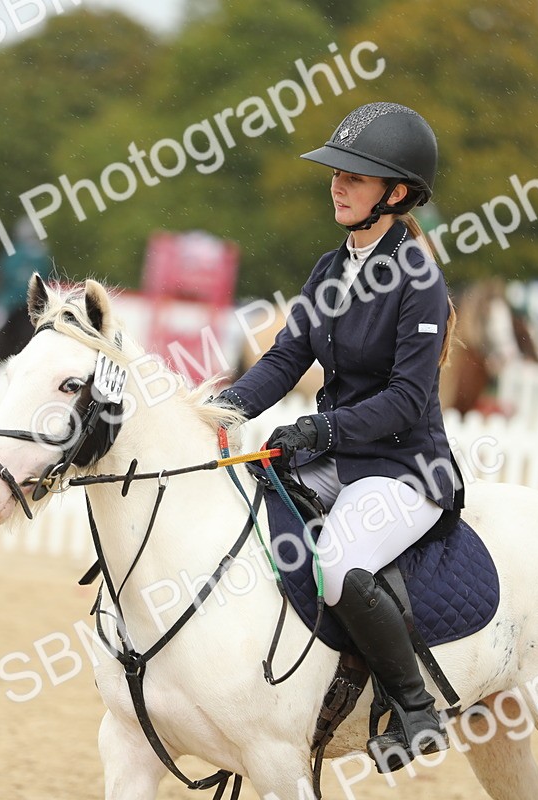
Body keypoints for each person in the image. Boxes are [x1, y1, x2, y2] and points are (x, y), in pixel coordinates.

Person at [215, 102, 464, 771]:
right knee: (251, 518)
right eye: (336, 171)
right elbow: (284, 359)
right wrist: (221, 411)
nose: (337, 183)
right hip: (340, 458)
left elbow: (409, 401)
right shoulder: (330, 269)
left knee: (339, 564)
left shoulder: (419, 280)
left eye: (355, 175)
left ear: (398, 193)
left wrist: (320, 427)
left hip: (407, 469)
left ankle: (415, 709)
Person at [0, 217, 50, 362]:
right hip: (35, 305)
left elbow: (2, 276)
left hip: (9, 302)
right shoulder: (43, 255)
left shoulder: (13, 253)